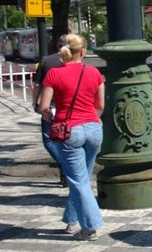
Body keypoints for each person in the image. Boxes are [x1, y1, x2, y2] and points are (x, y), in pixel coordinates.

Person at [39, 34, 105, 241]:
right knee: (82, 178)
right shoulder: (94, 72)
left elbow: (43, 106)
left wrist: (52, 117)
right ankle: (71, 219)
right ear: (83, 51)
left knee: (77, 181)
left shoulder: (53, 74)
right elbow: (100, 105)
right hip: (94, 129)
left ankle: (89, 227)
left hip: (69, 131)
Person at [32, 35, 67, 187]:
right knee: (66, 138)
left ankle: (63, 165)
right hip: (69, 106)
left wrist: (35, 103)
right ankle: (67, 169)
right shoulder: (74, 61)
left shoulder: (46, 61)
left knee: (49, 140)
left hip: (51, 107)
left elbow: (37, 85)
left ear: (57, 45)